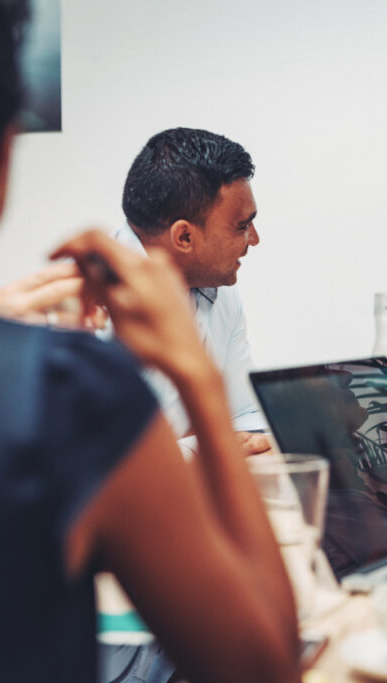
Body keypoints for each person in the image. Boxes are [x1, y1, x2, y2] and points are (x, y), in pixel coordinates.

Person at [0, 1, 298, 681]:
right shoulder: (58, 381)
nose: (254, 242)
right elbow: (262, 663)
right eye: (243, 225)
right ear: (2, 161)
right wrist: (197, 387)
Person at [115, 127, 270, 457]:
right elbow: (111, 468)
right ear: (184, 237)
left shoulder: (219, 288)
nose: (254, 239)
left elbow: (246, 418)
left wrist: (189, 448)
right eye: (242, 226)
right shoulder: (88, 311)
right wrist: (208, 447)